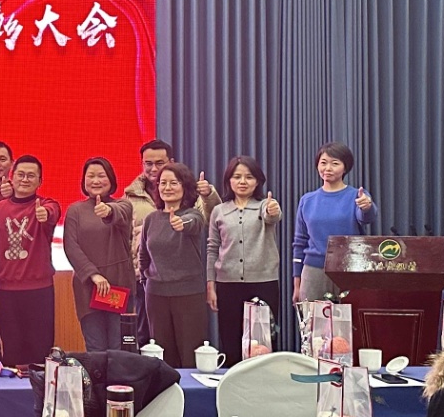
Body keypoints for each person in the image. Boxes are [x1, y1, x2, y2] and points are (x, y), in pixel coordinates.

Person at [0, 156, 62, 371]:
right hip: (6, 291)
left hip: (39, 291)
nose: (25, 179)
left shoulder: (45, 205)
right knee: (12, 352)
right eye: (21, 174)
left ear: (40, 181)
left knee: (40, 352)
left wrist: (44, 214)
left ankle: (38, 391)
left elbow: (53, 211)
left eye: (31, 176)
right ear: (12, 177)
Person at [207, 156, 284, 357]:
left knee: (263, 342)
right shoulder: (219, 211)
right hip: (227, 284)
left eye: (249, 177)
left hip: (263, 283)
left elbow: (272, 216)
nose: (242, 181)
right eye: (237, 176)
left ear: (257, 181)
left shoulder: (264, 205)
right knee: (230, 340)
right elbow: (212, 248)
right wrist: (211, 285)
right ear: (228, 180)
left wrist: (273, 210)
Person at [140, 163, 210, 367]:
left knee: (190, 354)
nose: (167, 187)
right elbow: (143, 256)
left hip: (189, 294)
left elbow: (192, 223)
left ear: (184, 186)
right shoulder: (151, 219)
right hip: (156, 295)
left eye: (174, 183)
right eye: (163, 183)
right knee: (161, 354)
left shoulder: (193, 214)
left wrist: (181, 223)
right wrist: (147, 280)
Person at [63, 156, 136, 351]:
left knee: (119, 347)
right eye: (91, 176)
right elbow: (71, 246)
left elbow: (119, 212)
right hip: (88, 287)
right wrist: (93, 275)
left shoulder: (124, 205)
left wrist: (107, 210)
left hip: (119, 286)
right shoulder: (75, 210)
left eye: (101, 176)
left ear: (111, 179)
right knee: (95, 347)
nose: (95, 181)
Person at [291, 142, 375, 302]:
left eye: (335, 163)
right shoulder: (307, 200)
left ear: (345, 168)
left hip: (349, 269)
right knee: (313, 318)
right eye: (323, 163)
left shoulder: (357, 196)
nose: (327, 168)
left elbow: (366, 217)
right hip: (313, 271)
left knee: (350, 316)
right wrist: (297, 284)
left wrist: (367, 206)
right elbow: (300, 242)